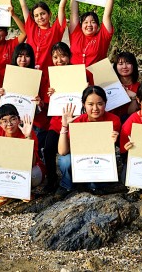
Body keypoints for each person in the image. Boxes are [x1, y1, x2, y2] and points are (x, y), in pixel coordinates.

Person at [41, 42, 94, 193]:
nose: (60, 60)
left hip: (79, 120)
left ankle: (82, 179)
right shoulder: (51, 77)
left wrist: (87, 89)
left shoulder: (83, 73)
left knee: (78, 151)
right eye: (55, 57)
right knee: (49, 148)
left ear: (70, 56)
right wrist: (50, 94)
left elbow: (94, 97)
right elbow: (47, 104)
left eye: (63, 56)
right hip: (58, 122)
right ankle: (51, 181)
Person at [55, 86, 122, 200]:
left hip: (100, 157)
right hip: (80, 157)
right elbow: (62, 151)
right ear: (83, 104)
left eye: (100, 104)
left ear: (105, 103)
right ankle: (66, 185)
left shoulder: (113, 120)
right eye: (90, 104)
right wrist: (64, 126)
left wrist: (114, 140)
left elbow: (107, 149)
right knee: (65, 160)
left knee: (94, 187)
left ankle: (94, 184)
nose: (95, 108)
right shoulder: (78, 121)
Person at [9, 0, 72, 69]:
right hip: (30, 73)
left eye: (43, 14)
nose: (40, 17)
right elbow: (23, 5)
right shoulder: (31, 28)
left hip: (48, 75)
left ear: (49, 14)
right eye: (36, 15)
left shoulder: (56, 30)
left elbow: (61, 7)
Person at [0, 104, 44, 206]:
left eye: (13, 119)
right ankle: (5, 193)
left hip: (27, 168)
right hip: (4, 169)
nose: (9, 124)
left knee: (34, 175)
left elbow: (32, 163)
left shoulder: (28, 131)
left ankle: (23, 190)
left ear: (19, 120)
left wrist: (28, 137)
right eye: (4, 121)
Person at [0, 43, 48, 134]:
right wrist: (2, 93)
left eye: (27, 56)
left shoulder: (38, 76)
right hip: (11, 122)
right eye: (20, 56)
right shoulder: (8, 75)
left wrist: (40, 103)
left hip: (33, 122)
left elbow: (45, 103)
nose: (23, 59)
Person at [68, 0, 115, 67]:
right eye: (85, 22)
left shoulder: (103, 37)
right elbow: (74, 13)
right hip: (75, 78)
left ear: (97, 26)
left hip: (96, 79)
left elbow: (107, 15)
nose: (89, 25)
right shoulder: (75, 34)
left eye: (93, 22)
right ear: (81, 25)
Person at [111, 51, 140, 123]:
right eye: (120, 64)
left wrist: (133, 95)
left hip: (132, 123)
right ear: (115, 66)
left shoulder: (140, 87)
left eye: (128, 63)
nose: (124, 67)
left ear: (133, 65)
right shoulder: (110, 86)